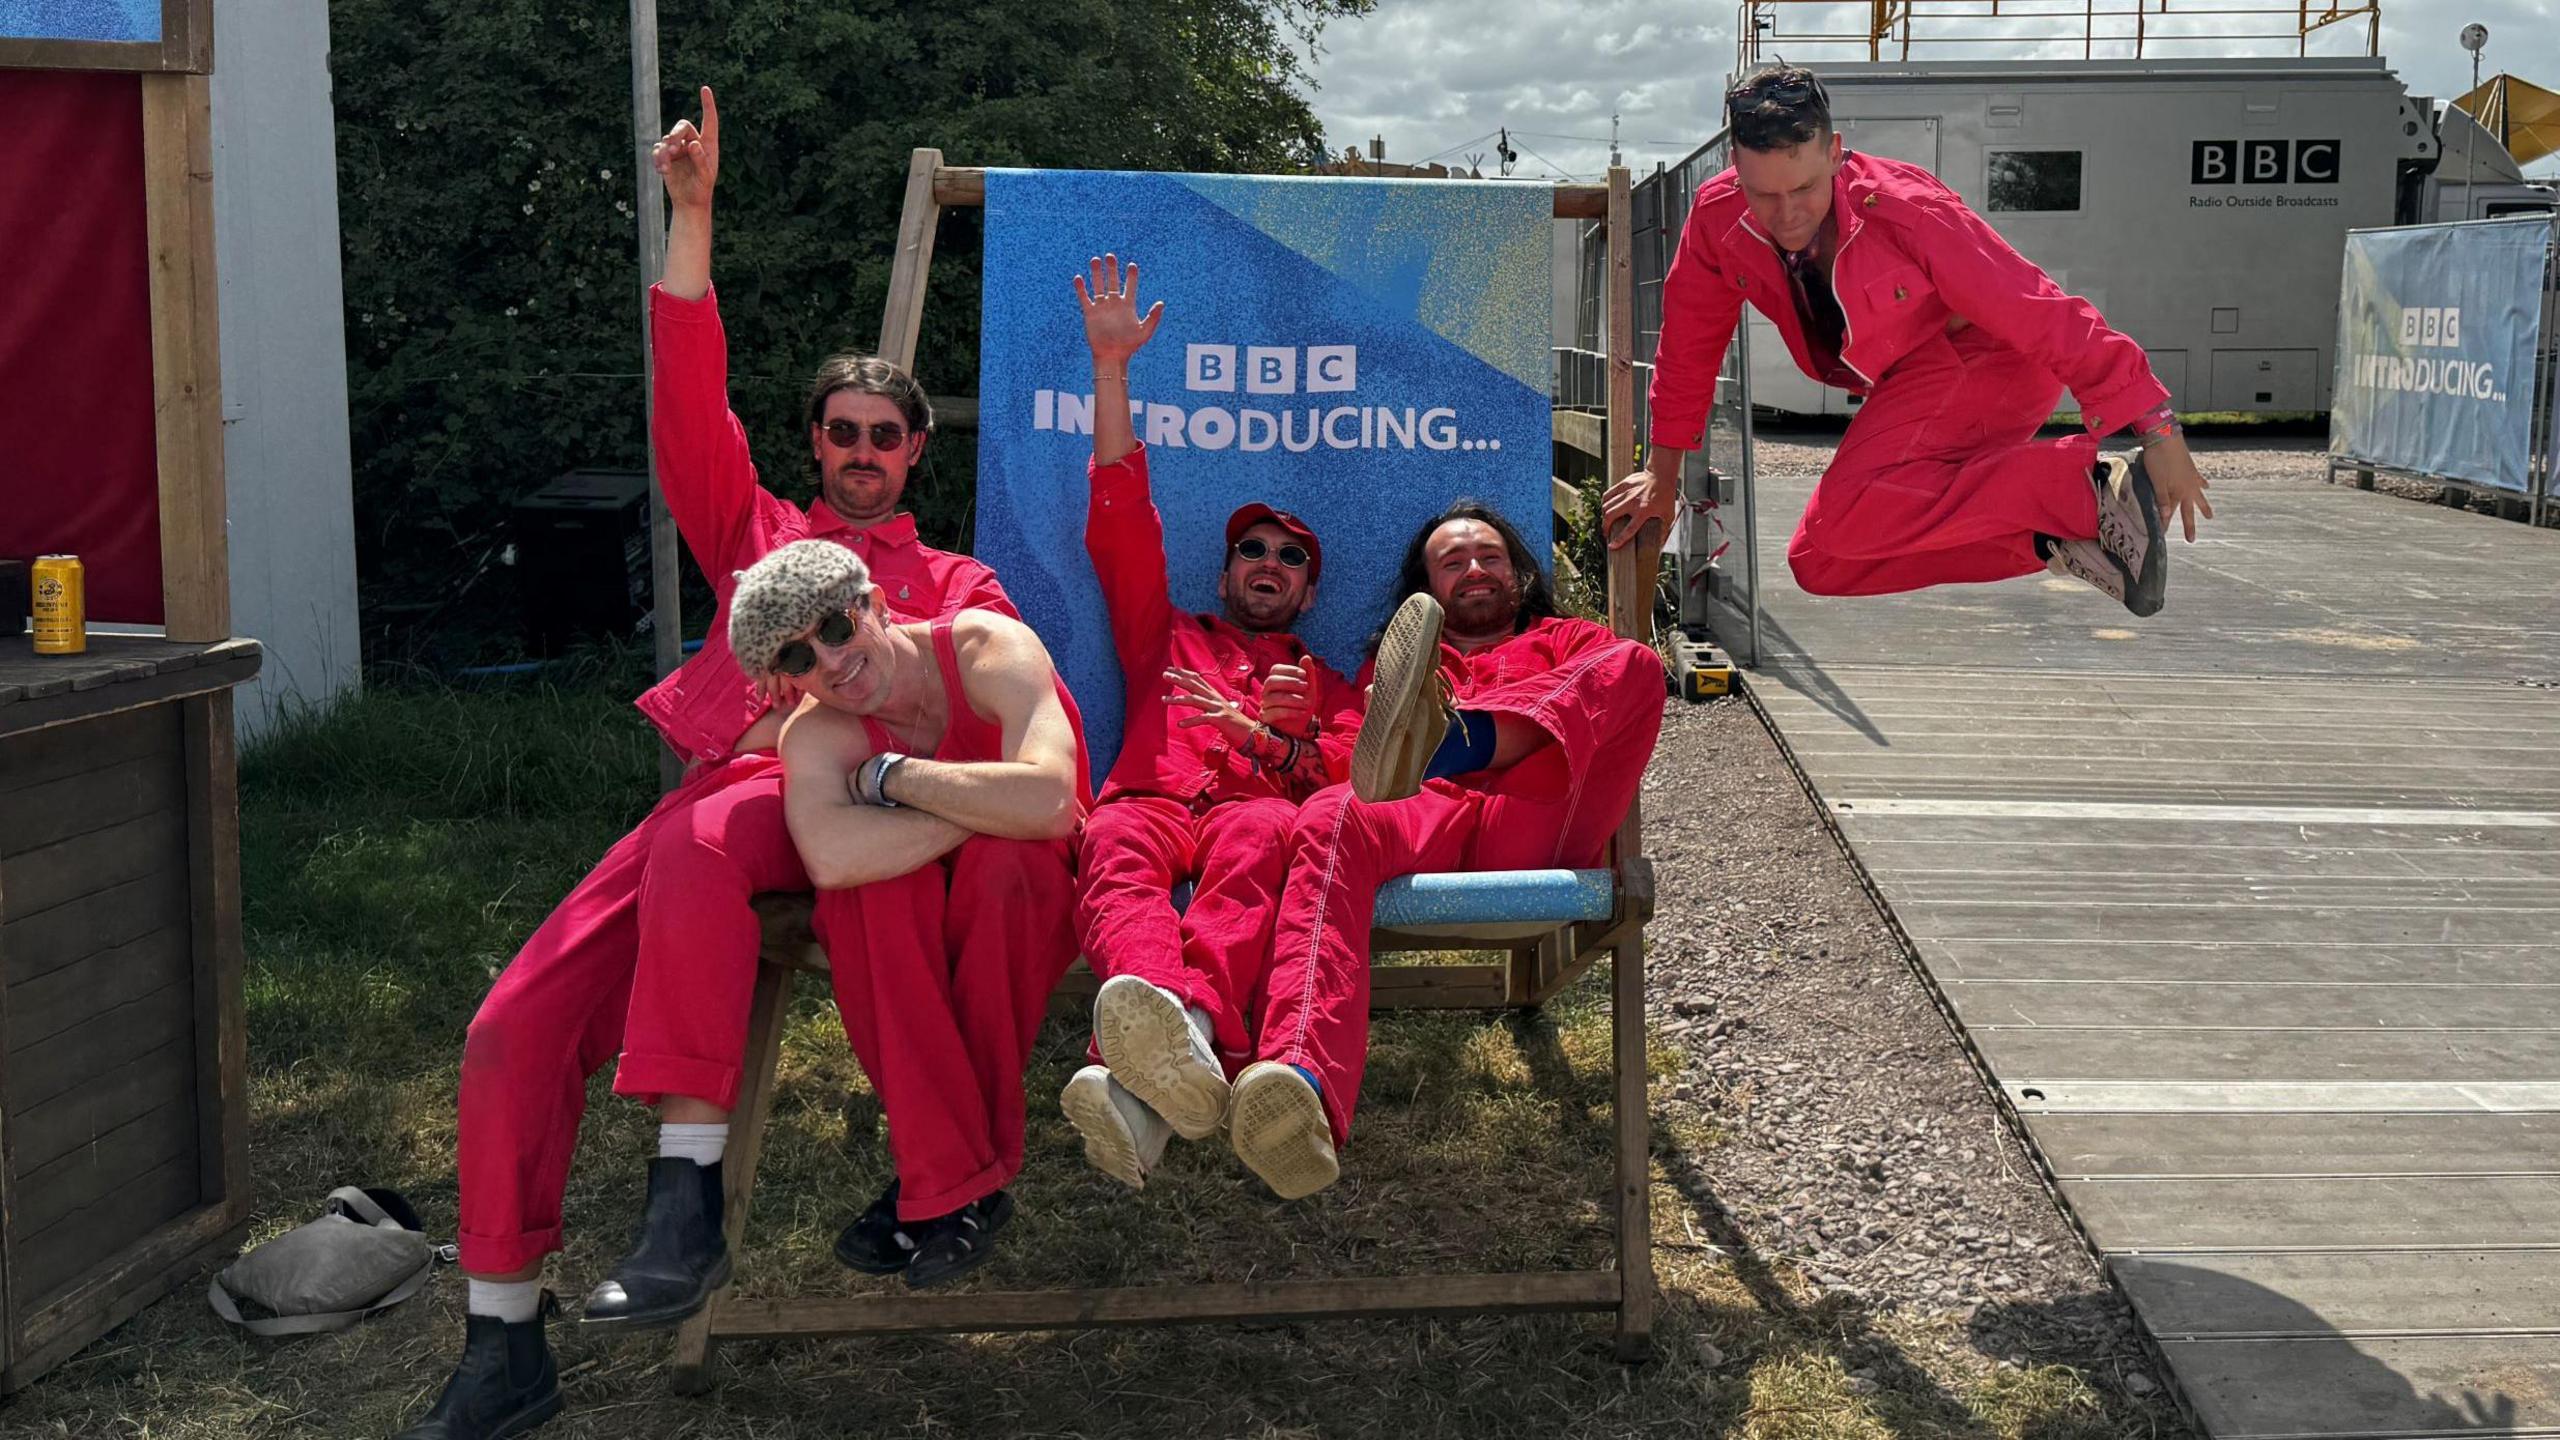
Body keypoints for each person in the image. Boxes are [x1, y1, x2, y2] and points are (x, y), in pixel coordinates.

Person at [396, 88, 1014, 1440]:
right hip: (707, 814)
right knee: (510, 1029)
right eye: (841, 433)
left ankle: (683, 1200)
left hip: (830, 810)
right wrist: (693, 218)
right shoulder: (763, 544)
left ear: (917, 455)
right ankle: (503, 1339)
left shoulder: (956, 576)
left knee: (701, 837)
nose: (861, 454)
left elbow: (984, 721)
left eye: (885, 437)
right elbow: (689, 407)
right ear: (819, 448)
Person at [1605, 62, 2214, 615]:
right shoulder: (1717, 222)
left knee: (1849, 512)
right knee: (1822, 561)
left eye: (1804, 189)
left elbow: (2036, 307)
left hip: (1992, 361)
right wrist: (1662, 474)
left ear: (1836, 153)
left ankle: (2091, 484)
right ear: (1735, 168)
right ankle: (2052, 538)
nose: (1787, 213)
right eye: (1765, 194)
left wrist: (2156, 427)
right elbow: (1688, 348)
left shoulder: (1904, 208)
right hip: (1910, 382)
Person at [1220, 506, 1667, 1199]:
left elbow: (1620, 694)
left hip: (1536, 819)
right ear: (1424, 591)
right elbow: (1347, 770)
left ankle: (1461, 739)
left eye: (1488, 556)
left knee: (1635, 664)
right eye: (1452, 562)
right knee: (1333, 814)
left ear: (1518, 573)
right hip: (1430, 815)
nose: (1475, 570)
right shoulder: (1391, 676)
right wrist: (1305, 732)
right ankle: (1300, 1078)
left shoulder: (1572, 642)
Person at [1056, 255, 1363, 1189]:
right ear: (1225, 575)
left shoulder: (1331, 681)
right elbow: (1120, 518)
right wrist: (1112, 371)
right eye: (1251, 551)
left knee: (1265, 835)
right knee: (1109, 845)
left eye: (1290, 558)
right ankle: (1177, 1044)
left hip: (1249, 808)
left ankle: (1150, 1081)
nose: (1268, 562)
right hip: (1147, 801)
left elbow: (1352, 784)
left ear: (1309, 593)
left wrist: (1269, 741)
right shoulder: (1167, 634)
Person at [748, 539, 1088, 1285]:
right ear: (783, 680)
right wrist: (987, 806)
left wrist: (893, 777)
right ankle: (961, 1186)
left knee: (1007, 865)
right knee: (865, 898)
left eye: (835, 629)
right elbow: (833, 857)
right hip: (923, 884)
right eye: (799, 659)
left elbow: (1053, 806)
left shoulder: (989, 648)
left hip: (1032, 882)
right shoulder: (817, 732)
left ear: (874, 604)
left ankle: (935, 1187)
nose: (830, 664)